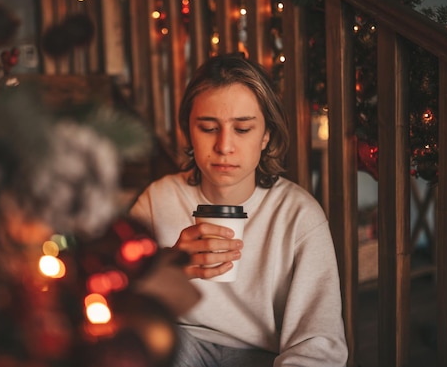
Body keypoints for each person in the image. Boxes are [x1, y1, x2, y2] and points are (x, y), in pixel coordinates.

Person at [128, 54, 348, 367]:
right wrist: (170, 264)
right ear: (188, 131)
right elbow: (117, 303)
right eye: (207, 128)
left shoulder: (299, 216)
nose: (224, 146)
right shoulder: (158, 199)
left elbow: (317, 344)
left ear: (266, 135)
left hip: (264, 355)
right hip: (179, 343)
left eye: (242, 129)